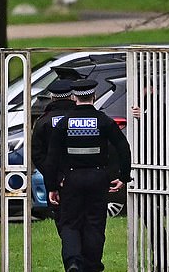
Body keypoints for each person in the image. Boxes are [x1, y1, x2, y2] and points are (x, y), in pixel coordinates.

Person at [44, 79, 132, 272]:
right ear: (93, 96)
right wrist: (123, 176)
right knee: (95, 222)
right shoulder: (104, 121)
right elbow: (123, 148)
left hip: (71, 180)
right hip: (98, 178)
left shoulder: (64, 123)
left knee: (70, 224)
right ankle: (92, 265)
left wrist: (52, 186)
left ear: (74, 97)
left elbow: (52, 157)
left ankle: (73, 261)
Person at [31, 79, 76, 232]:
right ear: (72, 97)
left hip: (58, 182)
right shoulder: (81, 117)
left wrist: (55, 177)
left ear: (52, 97)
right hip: (85, 176)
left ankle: (72, 253)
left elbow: (37, 155)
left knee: (65, 224)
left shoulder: (44, 121)